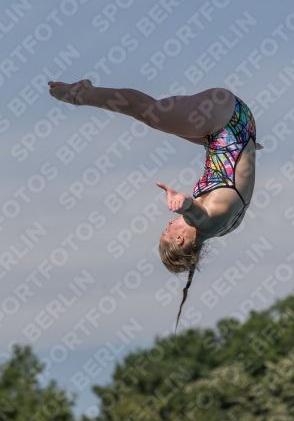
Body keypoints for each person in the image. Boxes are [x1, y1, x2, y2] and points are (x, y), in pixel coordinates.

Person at [48, 79, 263, 333]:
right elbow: (193, 209)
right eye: (167, 231)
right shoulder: (205, 222)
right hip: (223, 115)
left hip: (240, 125)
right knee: (145, 110)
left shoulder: (226, 228)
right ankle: (79, 95)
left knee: (161, 121)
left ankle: (83, 92)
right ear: (181, 240)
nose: (169, 224)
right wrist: (181, 204)